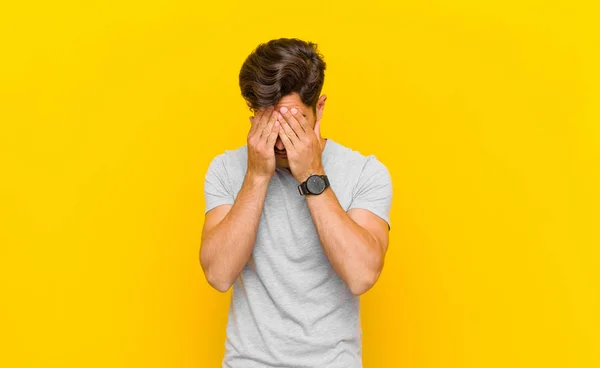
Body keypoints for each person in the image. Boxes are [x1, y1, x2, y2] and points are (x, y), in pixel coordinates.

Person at [200, 38, 393, 368]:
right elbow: (218, 274)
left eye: (292, 123)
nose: (279, 140)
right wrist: (257, 177)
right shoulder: (226, 170)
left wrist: (312, 176)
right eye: (269, 123)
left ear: (318, 109)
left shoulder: (365, 172)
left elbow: (362, 275)